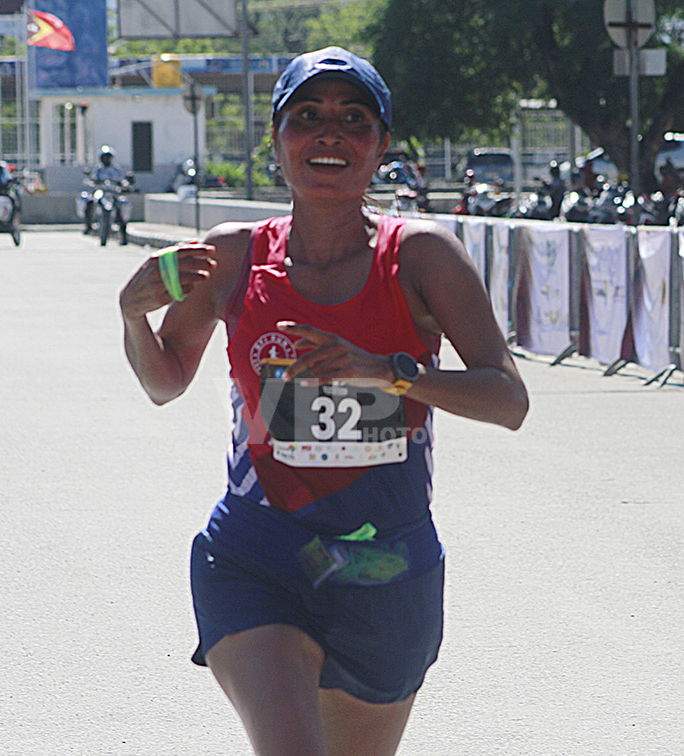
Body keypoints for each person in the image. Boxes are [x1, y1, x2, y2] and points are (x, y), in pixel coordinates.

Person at [118, 46, 528, 756]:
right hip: (257, 552)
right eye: (306, 117)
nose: (329, 133)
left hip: (384, 564)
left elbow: (508, 399)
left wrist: (390, 374)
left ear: (382, 145)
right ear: (276, 140)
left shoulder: (422, 256)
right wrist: (132, 318)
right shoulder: (233, 257)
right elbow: (164, 382)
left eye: (353, 119)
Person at [83, 145, 127, 234]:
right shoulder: (98, 168)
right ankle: (89, 225)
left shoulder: (115, 168)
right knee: (90, 202)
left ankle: (122, 228)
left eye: (108, 157)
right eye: (104, 157)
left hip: (112, 191)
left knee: (119, 205)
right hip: (100, 191)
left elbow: (121, 179)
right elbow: (93, 178)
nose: (106, 159)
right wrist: (92, 181)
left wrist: (123, 184)